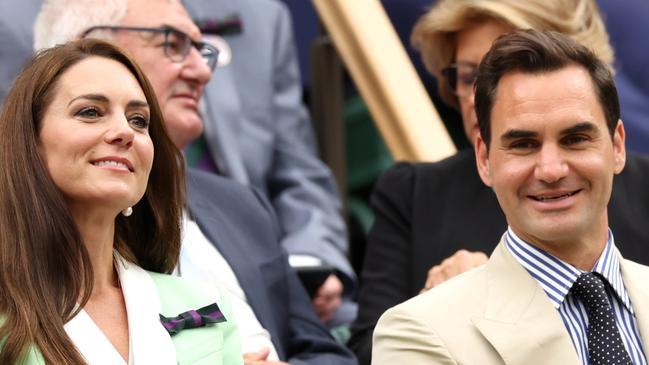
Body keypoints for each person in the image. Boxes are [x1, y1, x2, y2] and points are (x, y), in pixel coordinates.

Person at [34, 0, 358, 364]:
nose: (203, 71)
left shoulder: (241, 205)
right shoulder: (21, 295)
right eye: (172, 45)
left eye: (139, 120)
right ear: (83, 46)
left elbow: (326, 353)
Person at [349, 0, 649, 363]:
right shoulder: (420, 324)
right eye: (469, 77)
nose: (550, 169)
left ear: (616, 144)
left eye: (574, 139)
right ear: (483, 156)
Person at [0, 38, 241, 364]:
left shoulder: (206, 304)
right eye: (90, 112)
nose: (124, 131)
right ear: (30, 142)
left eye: (139, 120)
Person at [182, 0, 356, 325]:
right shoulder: (72, 13)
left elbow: (298, 169)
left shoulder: (262, 14)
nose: (200, 69)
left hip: (267, 268)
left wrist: (311, 260)